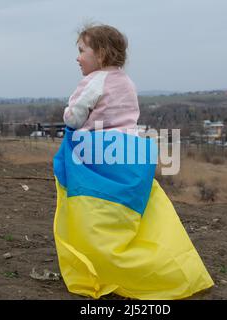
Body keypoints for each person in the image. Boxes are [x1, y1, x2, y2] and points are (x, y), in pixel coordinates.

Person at [53, 24, 214, 300]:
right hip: (131, 153)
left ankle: (105, 265)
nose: (77, 58)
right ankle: (163, 267)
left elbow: (74, 118)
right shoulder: (127, 82)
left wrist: (68, 112)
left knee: (96, 215)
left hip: (98, 154)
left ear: (100, 54)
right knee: (132, 213)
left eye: (81, 51)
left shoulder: (93, 81)